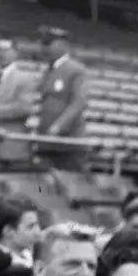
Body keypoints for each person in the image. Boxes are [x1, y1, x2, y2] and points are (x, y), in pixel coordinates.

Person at [34, 27, 92, 172]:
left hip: (68, 141)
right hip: (47, 141)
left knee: (71, 184)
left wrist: (58, 126)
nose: (45, 48)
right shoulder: (47, 71)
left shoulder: (76, 70)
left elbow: (79, 102)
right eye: (44, 44)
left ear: (63, 45)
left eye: (49, 44)